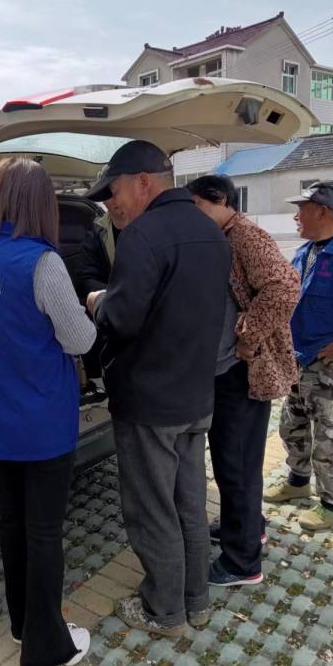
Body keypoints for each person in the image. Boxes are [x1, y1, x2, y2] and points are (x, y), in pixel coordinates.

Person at [0, 157, 96, 666]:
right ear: (39, 204)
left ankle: (23, 624)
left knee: (13, 524)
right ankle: (45, 650)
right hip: (41, 423)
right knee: (44, 532)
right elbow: (79, 340)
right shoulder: (42, 262)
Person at [86, 140, 231, 636]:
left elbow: (122, 320)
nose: (110, 204)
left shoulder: (143, 235)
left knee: (152, 510)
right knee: (189, 504)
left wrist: (98, 301)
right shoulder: (210, 229)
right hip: (196, 396)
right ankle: (196, 601)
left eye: (113, 191)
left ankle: (163, 611)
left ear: (144, 181)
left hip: (149, 403)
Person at [187, 175, 301, 586]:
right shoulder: (226, 235)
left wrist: (248, 336)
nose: (195, 216)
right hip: (231, 370)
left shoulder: (245, 236)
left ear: (221, 199)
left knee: (236, 464)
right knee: (237, 461)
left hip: (243, 371)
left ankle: (242, 563)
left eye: (198, 206)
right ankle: (248, 527)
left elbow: (285, 287)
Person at [264, 181, 333, 531]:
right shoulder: (305, 252)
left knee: (330, 438)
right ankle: (297, 482)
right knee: (292, 426)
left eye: (301, 209)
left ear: (322, 211)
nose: (295, 216)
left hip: (329, 367)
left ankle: (332, 504)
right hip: (298, 359)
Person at [76, 198, 125, 406]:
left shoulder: (149, 226)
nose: (115, 199)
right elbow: (85, 275)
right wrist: (109, 295)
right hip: (110, 310)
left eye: (117, 192)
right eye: (109, 194)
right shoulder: (98, 231)